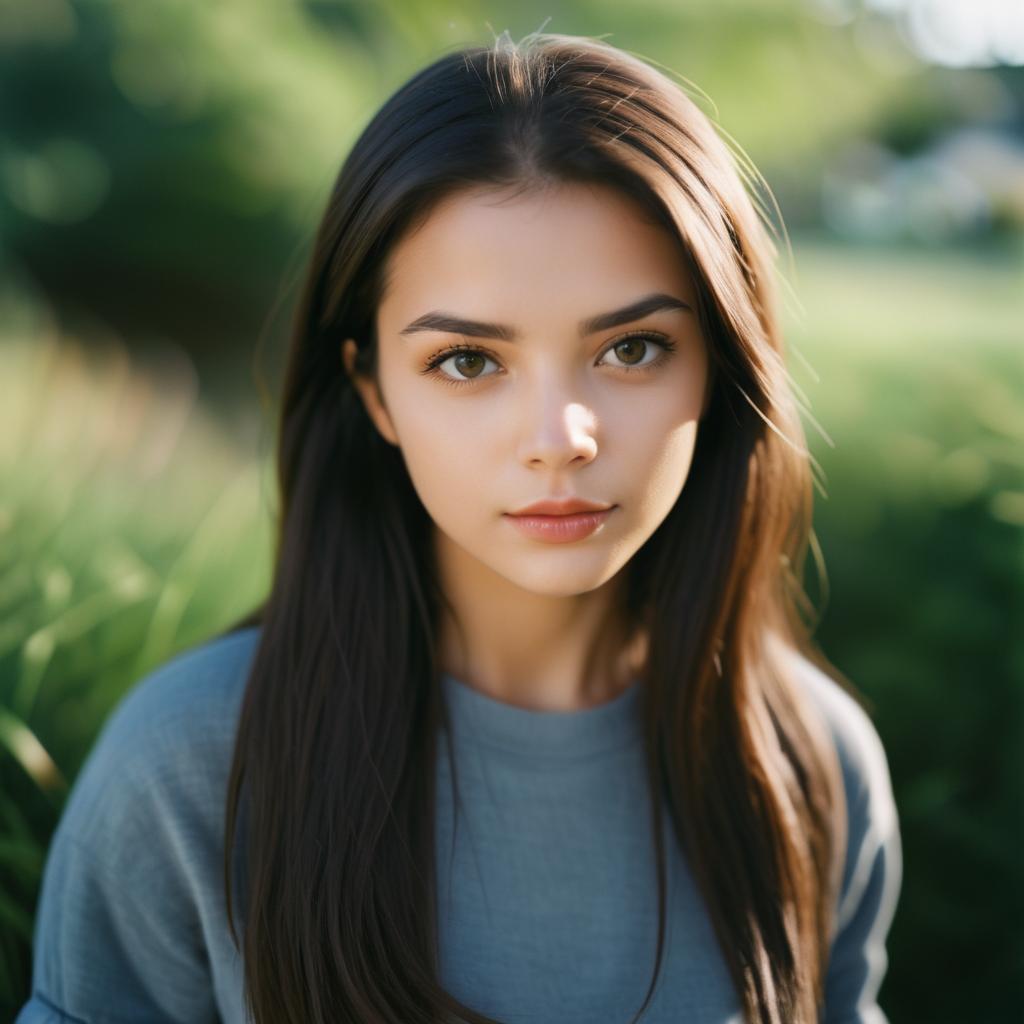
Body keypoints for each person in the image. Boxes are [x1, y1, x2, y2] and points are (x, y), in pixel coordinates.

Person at [15, 29, 902, 1024]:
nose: (560, 437)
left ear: (721, 367)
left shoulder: (807, 761)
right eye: (469, 362)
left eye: (633, 348)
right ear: (373, 391)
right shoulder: (191, 766)